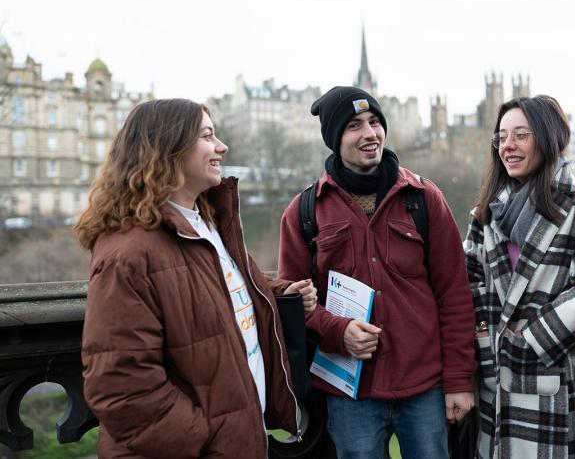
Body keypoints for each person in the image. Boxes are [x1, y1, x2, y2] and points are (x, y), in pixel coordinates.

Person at [75, 98, 317, 458]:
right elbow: (121, 388)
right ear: (168, 148)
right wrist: (204, 440)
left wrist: (282, 293)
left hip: (240, 437)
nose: (222, 146)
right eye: (208, 136)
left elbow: (216, 292)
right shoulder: (127, 254)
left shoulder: (206, 223)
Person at [278, 86, 475, 459]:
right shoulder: (304, 211)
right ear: (335, 140)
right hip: (349, 396)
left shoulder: (424, 199)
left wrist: (459, 381)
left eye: (374, 122)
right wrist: (337, 331)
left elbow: (454, 296)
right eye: (354, 126)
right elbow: (292, 302)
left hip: (424, 389)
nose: (369, 134)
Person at [464, 95, 575, 459]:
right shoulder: (486, 211)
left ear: (547, 138)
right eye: (501, 137)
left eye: (521, 135)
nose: (508, 146)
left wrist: (529, 337)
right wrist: (486, 338)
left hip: (552, 380)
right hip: (495, 382)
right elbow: (469, 280)